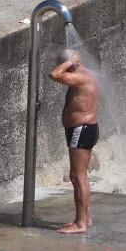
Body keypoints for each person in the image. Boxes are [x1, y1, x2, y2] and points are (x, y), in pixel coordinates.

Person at [49, 48, 100, 234]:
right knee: (79, 176)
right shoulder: (85, 74)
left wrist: (69, 63)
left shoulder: (80, 77)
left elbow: (54, 75)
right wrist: (71, 63)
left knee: (78, 177)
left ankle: (81, 223)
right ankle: (86, 218)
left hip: (82, 129)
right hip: (83, 129)